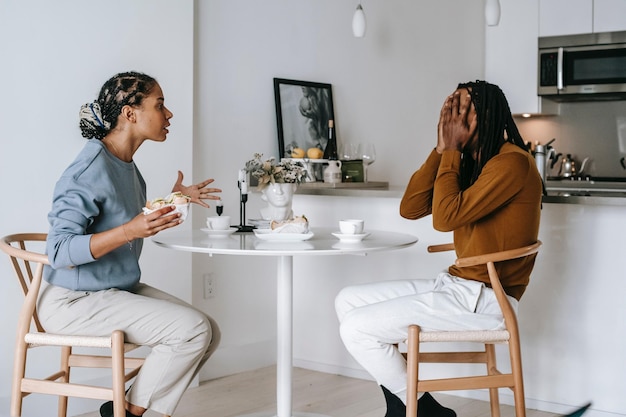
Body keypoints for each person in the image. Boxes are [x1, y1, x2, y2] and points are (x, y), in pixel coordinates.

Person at [335, 81, 542, 417]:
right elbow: (411, 208)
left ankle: (418, 409)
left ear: (486, 115)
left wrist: (451, 152)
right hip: (458, 287)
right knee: (347, 300)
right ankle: (416, 408)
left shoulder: (511, 163)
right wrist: (441, 148)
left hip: (486, 300)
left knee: (355, 328)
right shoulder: (474, 162)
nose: (451, 116)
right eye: (449, 107)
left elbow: (444, 218)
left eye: (461, 108)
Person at [38, 71, 222, 417]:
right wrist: (129, 231)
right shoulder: (89, 168)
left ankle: (121, 411)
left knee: (208, 331)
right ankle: (126, 414)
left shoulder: (124, 164)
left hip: (111, 289)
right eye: (160, 105)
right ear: (130, 112)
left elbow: (124, 217)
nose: (169, 115)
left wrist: (173, 199)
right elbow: (59, 252)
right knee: (192, 330)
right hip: (74, 301)